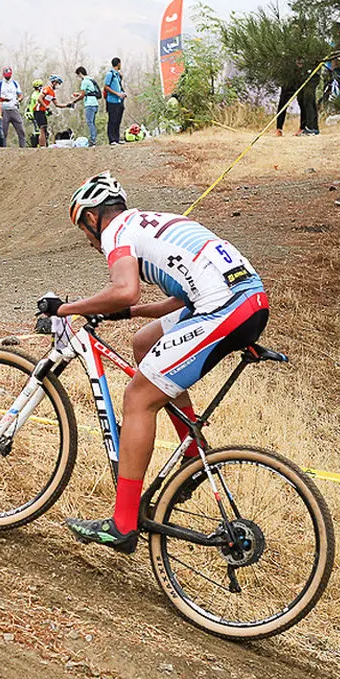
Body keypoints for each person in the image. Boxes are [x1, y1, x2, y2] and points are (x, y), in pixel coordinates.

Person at [38, 172, 268, 552]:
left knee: (137, 399)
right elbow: (181, 298)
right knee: (145, 342)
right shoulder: (156, 223)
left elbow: (124, 289)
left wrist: (66, 307)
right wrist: (129, 314)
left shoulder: (116, 231)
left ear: (93, 218)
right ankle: (192, 455)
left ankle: (122, 524)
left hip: (226, 308)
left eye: (84, 230)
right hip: (245, 301)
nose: (90, 242)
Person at [33, 75, 70, 148]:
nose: (58, 85)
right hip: (38, 110)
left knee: (44, 128)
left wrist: (67, 105)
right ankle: (42, 146)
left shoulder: (52, 93)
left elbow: (57, 104)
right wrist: (46, 107)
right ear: (54, 82)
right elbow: (39, 99)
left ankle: (44, 145)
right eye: (58, 83)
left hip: (42, 111)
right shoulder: (47, 89)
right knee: (42, 128)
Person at [70, 66, 102, 146]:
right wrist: (78, 94)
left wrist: (74, 101)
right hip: (95, 104)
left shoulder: (84, 82)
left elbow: (82, 95)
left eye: (78, 75)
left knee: (89, 122)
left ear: (80, 73)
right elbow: (88, 93)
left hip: (89, 104)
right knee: (92, 123)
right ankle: (93, 139)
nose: (78, 77)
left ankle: (92, 140)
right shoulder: (90, 80)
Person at [0, 67, 25, 147]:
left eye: (9, 75)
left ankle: (23, 147)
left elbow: (20, 95)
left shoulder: (15, 83)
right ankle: (3, 148)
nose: (8, 76)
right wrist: (3, 99)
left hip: (14, 109)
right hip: (4, 109)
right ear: (3, 74)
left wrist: (18, 100)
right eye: (6, 75)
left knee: (21, 130)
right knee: (3, 132)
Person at [104, 57, 127, 145]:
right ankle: (112, 139)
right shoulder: (110, 74)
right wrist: (117, 93)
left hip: (119, 101)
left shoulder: (117, 75)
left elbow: (118, 86)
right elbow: (106, 87)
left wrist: (122, 93)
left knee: (118, 120)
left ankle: (117, 138)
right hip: (112, 101)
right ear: (118, 64)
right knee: (112, 120)